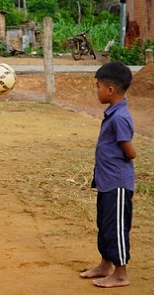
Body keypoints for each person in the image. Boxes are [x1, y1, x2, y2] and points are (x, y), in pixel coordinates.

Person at [80, 61, 136, 288]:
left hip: (118, 184)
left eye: (98, 87)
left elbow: (129, 151)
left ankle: (121, 273)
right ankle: (105, 264)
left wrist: (131, 151)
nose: (97, 91)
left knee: (116, 228)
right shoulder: (113, 112)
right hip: (106, 181)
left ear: (110, 90)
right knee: (105, 225)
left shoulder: (120, 117)